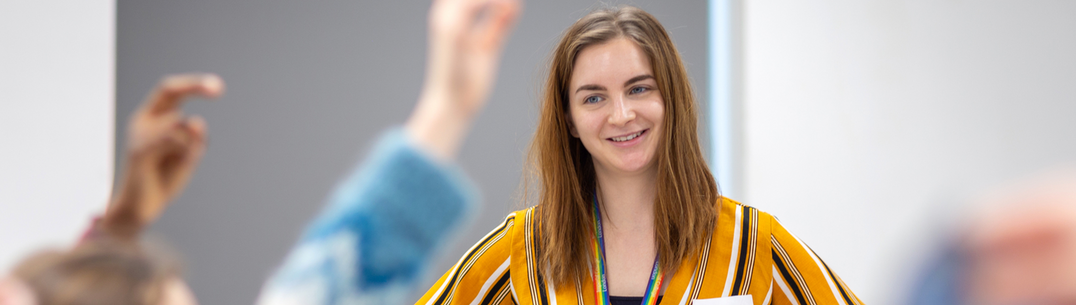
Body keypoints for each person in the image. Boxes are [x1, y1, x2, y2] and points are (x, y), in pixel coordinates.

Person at [415, 6, 862, 305]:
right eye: (593, 98)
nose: (622, 114)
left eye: (639, 88)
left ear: (671, 99)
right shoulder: (527, 249)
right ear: (568, 120)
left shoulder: (750, 243)